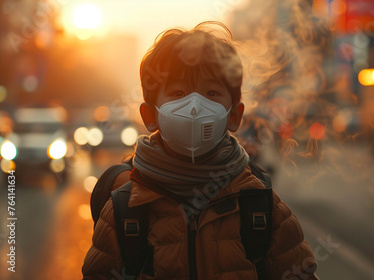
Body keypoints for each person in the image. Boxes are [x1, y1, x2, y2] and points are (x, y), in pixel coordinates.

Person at [82, 22, 319, 280]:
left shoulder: (260, 204)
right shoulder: (126, 209)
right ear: (150, 115)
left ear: (234, 116)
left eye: (212, 92)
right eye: (179, 92)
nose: (195, 107)